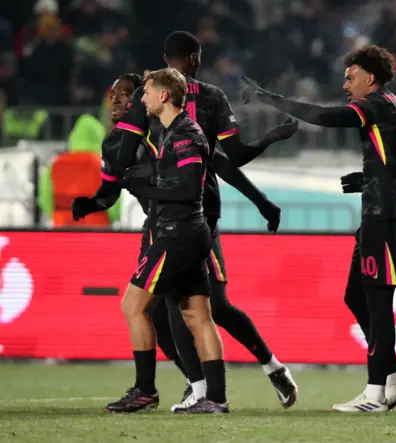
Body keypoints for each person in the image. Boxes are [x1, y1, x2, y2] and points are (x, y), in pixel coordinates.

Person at [242, 44, 396, 412]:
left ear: (371, 78)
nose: (346, 83)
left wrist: (269, 98)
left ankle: (376, 393)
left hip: (387, 215)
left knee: (378, 302)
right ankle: (394, 378)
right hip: (386, 209)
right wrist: (371, 177)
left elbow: (322, 116)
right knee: (355, 295)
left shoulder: (375, 104)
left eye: (352, 77)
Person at [115, 31, 299, 413]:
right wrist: (264, 174)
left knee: (193, 306)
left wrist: (129, 179)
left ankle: (246, 374)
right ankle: (206, 388)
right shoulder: (199, 102)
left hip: (184, 214)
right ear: (195, 58)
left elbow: (207, 163)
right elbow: (229, 159)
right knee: (192, 306)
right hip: (187, 214)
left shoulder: (169, 112)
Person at [108, 67, 229, 414]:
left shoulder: (185, 135)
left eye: (145, 92)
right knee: (196, 315)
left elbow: (191, 189)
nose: (140, 99)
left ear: (164, 96)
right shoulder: (171, 133)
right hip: (188, 234)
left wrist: (144, 188)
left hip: (178, 234)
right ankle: (216, 399)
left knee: (133, 306)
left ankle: (145, 390)